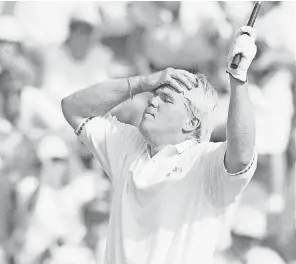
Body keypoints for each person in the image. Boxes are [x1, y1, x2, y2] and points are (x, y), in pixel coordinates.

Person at [61, 26, 258, 264]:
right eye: (154, 94)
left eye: (166, 99)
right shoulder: (127, 144)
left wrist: (238, 79)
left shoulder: (205, 160)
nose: (152, 101)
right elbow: (73, 108)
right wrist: (141, 82)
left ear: (191, 122)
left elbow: (243, 154)